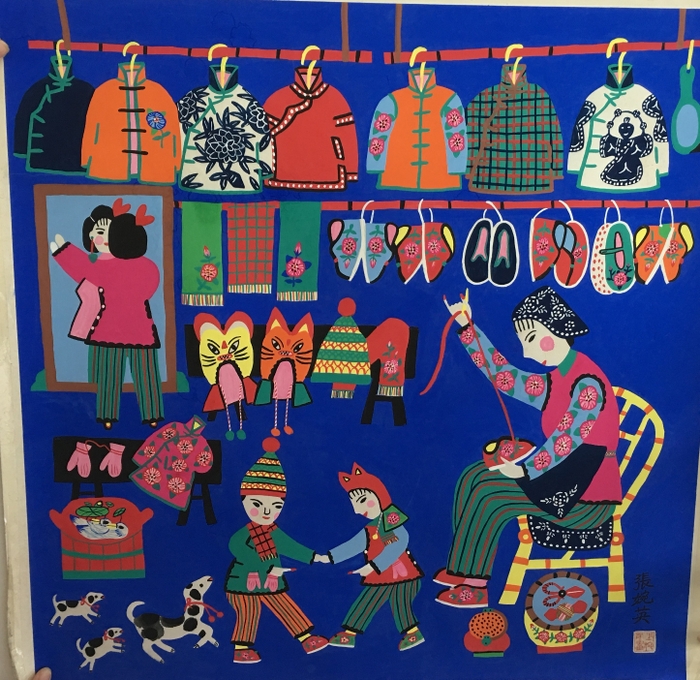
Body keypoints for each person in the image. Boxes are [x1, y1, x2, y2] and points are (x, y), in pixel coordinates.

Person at [434, 286, 622, 608]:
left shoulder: (586, 382)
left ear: (557, 328)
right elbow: (506, 378)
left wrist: (525, 470)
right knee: (473, 475)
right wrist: (468, 328)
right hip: (564, 478)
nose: (527, 352)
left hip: (588, 497)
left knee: (491, 492)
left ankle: (475, 586)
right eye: (523, 342)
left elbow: (566, 440)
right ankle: (462, 565)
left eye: (532, 338)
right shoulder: (557, 379)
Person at [50, 199, 164, 428]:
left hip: (109, 331)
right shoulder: (149, 267)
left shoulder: (109, 267)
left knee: (109, 376)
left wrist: (64, 251)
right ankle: (152, 415)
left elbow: (83, 268)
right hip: (140, 330)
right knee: (145, 373)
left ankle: (108, 416)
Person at [224, 437, 329, 664]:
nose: (266, 512)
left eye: (275, 506)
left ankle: (306, 638)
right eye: (257, 504)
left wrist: (314, 556)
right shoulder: (244, 533)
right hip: (242, 583)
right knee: (248, 612)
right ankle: (241, 649)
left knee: (285, 605)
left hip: (271, 581)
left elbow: (291, 546)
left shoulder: (273, 531)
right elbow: (237, 548)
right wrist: (263, 567)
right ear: (244, 501)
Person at [324, 463, 424, 652]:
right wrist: (329, 557)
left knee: (400, 603)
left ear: (379, 495)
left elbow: (400, 542)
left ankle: (413, 633)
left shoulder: (391, 519)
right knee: (367, 600)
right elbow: (353, 545)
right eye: (354, 504)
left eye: (362, 501)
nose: (357, 510)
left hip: (404, 575)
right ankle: (349, 634)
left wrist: (373, 566)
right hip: (381, 576)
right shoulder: (370, 528)